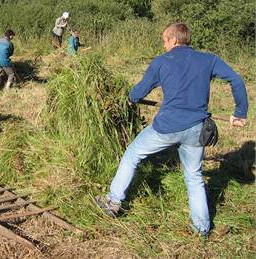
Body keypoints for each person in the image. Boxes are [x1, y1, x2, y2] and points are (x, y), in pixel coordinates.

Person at [94, 22, 248, 237]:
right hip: (197, 129)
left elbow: (137, 93)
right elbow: (237, 80)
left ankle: (113, 202)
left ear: (174, 40)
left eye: (165, 41)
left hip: (166, 127)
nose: (164, 45)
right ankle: (201, 228)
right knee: (194, 176)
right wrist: (240, 112)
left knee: (132, 154)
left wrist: (130, 97)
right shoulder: (208, 60)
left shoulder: (161, 62)